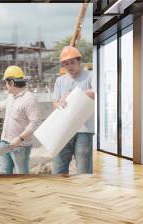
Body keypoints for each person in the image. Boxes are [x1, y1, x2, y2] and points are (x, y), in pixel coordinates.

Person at [0, 66, 40, 174]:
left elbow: (35, 123)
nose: (5, 86)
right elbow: (2, 105)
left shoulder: (29, 99)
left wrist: (20, 139)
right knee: (4, 171)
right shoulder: (12, 96)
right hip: (5, 141)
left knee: (21, 172)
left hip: (20, 145)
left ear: (11, 82)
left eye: (6, 83)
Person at [52, 46, 95, 175]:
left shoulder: (90, 76)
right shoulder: (60, 80)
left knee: (83, 169)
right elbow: (55, 102)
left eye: (72, 62)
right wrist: (59, 103)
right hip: (64, 130)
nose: (69, 66)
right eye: (65, 64)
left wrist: (73, 96)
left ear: (79, 61)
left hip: (84, 129)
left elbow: (96, 91)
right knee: (58, 168)